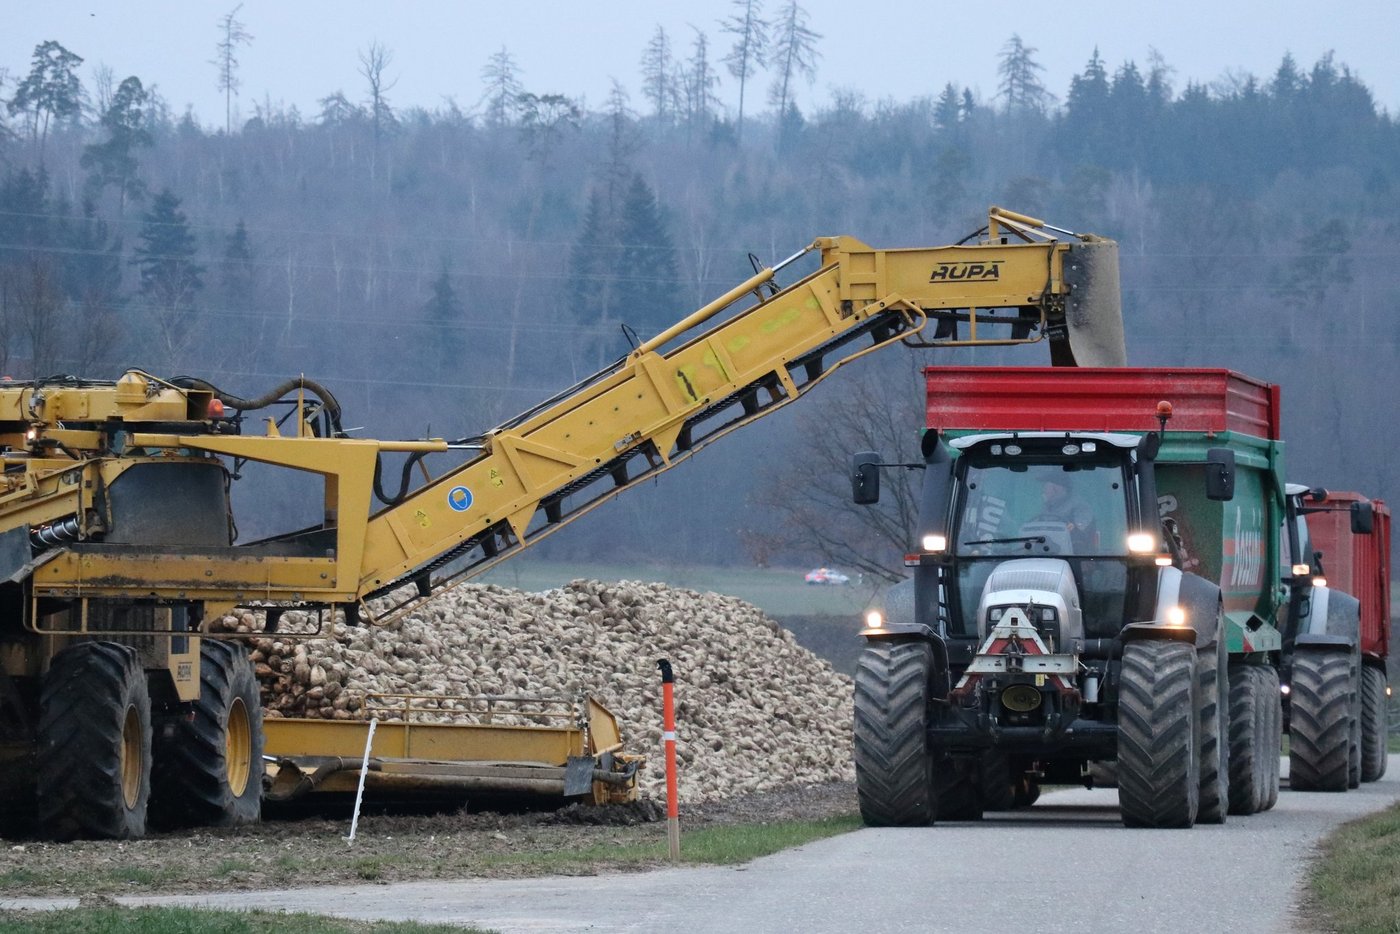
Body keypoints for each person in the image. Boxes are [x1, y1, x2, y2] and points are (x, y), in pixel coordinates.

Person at [1028, 477, 1097, 552]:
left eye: (1046, 487)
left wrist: (1073, 526)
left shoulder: (1080, 507)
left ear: (1056, 489)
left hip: (1076, 555)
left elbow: (1079, 528)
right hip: (1049, 551)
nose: (1043, 491)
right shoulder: (1048, 507)